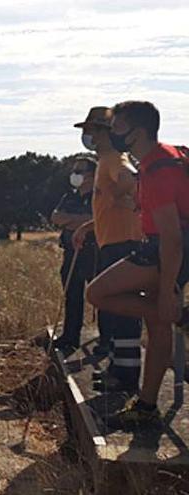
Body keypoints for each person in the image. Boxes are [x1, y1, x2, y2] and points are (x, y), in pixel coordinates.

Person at [87, 101, 189, 430]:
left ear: (138, 133)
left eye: (117, 128)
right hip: (173, 248)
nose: (111, 133)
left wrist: (165, 292)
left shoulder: (156, 170)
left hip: (166, 250)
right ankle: (147, 407)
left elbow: (172, 237)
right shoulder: (166, 156)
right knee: (158, 327)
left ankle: (179, 313)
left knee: (97, 293)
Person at [71, 107, 143, 392]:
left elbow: (132, 181)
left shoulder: (115, 160)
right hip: (110, 242)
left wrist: (123, 196)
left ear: (106, 132)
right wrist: (87, 227)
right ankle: (117, 367)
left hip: (123, 243)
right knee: (113, 310)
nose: (87, 136)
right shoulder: (104, 162)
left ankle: (126, 375)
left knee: (123, 310)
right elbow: (107, 207)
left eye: (92, 130)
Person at [50, 158, 97, 355]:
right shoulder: (69, 196)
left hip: (94, 251)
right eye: (74, 170)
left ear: (92, 175)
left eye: (80, 171)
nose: (75, 174)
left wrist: (71, 221)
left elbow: (93, 219)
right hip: (70, 252)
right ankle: (70, 337)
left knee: (98, 297)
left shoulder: (98, 196)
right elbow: (55, 217)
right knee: (72, 295)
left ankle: (106, 340)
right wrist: (78, 221)